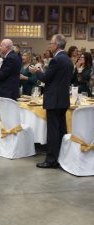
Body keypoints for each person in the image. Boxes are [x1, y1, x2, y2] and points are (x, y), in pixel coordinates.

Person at [29, 34, 73, 168]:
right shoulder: (68, 60)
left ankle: (51, 160)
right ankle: (61, 157)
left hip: (54, 100)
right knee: (61, 130)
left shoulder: (56, 60)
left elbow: (45, 78)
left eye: (51, 43)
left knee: (53, 131)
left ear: (57, 45)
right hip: (63, 99)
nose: (50, 45)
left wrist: (36, 71)